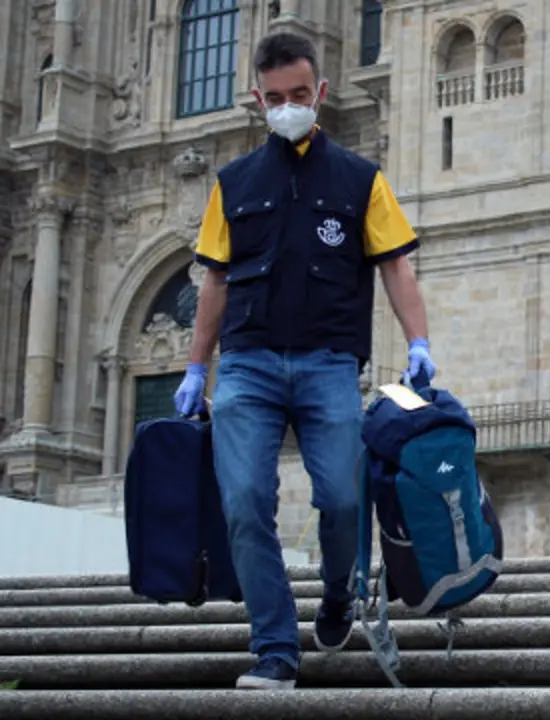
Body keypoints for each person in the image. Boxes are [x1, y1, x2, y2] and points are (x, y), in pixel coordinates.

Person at [173, 31, 436, 691]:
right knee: (243, 501)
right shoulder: (232, 184)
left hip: (328, 365)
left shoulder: (360, 179)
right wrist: (195, 368)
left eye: (299, 94)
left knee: (344, 498)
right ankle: (275, 650)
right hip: (249, 366)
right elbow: (214, 283)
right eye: (276, 98)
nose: (288, 106)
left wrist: (419, 343)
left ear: (319, 93)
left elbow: (397, 267)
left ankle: (339, 593)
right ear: (256, 100)